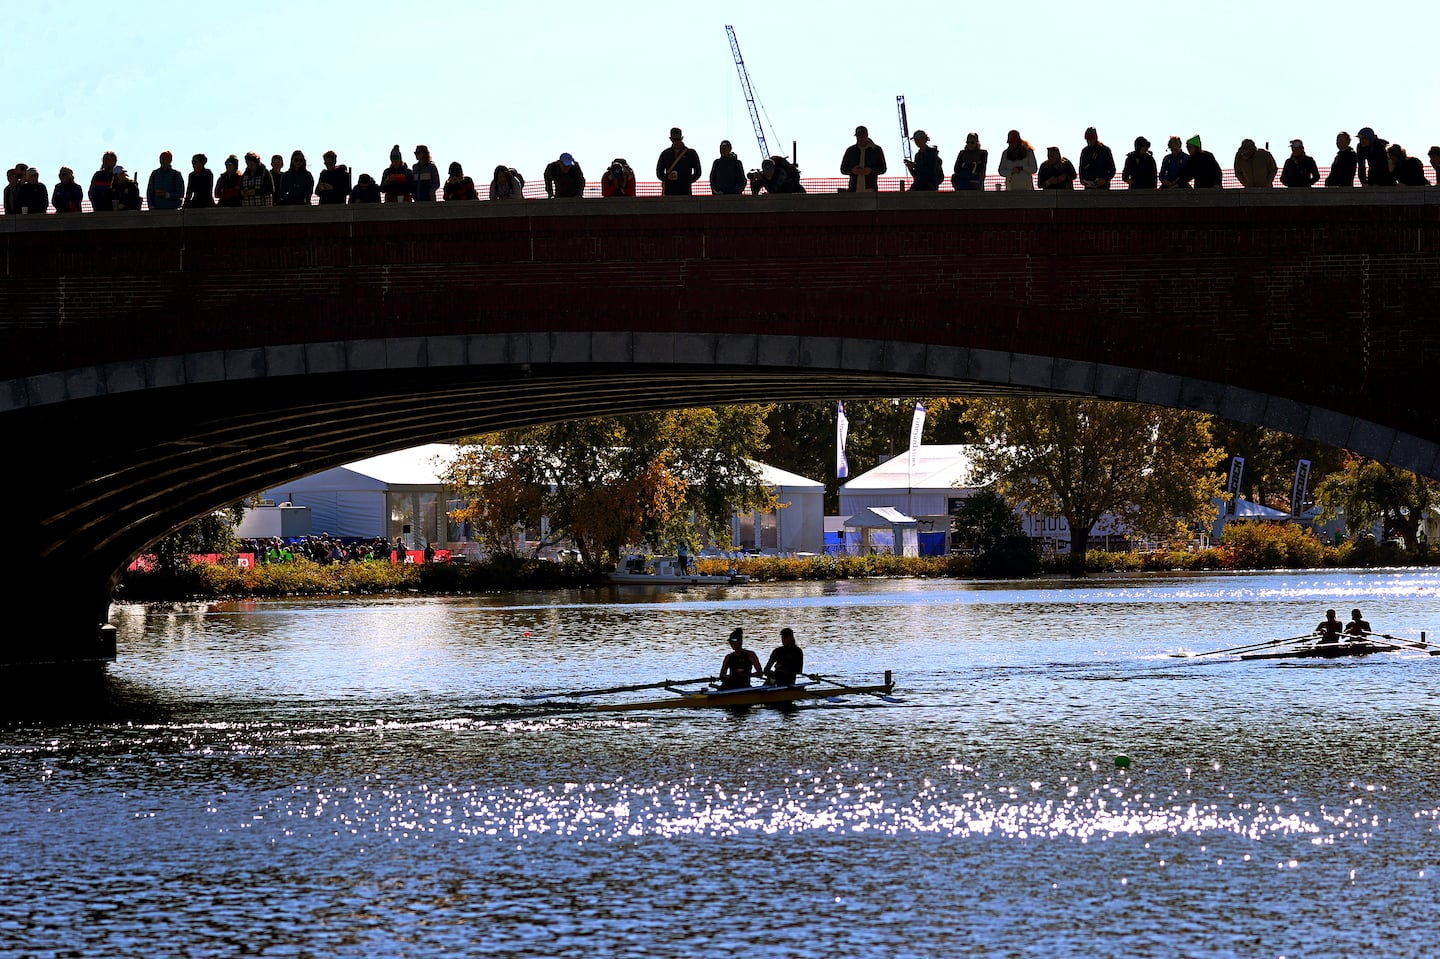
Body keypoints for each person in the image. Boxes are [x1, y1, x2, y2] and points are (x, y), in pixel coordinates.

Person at [840, 125, 887, 192]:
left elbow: (883, 168)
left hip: (870, 189)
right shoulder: (850, 151)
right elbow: (843, 169)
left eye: (862, 136)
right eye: (858, 136)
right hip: (854, 189)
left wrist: (870, 170)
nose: (860, 138)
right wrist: (852, 170)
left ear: (867, 135)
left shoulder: (876, 150)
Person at [656, 127, 701, 195]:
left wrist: (687, 180)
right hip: (669, 191)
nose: (676, 141)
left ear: (682, 138)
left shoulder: (691, 153)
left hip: (685, 191)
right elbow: (659, 172)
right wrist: (667, 177)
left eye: (678, 139)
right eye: (674, 139)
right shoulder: (665, 154)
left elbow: (698, 172)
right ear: (670, 139)